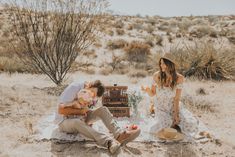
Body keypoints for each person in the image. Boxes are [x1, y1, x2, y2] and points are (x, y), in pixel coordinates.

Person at [54, 80, 140, 154]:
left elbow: (85, 110)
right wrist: (80, 111)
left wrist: (85, 111)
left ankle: (118, 135)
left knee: (103, 109)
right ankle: (109, 142)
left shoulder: (89, 95)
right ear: (89, 85)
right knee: (77, 122)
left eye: (94, 96)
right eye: (93, 93)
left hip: (80, 118)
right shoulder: (74, 87)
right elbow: (60, 110)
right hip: (65, 121)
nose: (92, 96)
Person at [142, 53, 198, 137]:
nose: (161, 66)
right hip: (160, 107)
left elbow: (176, 99)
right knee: (166, 123)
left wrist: (176, 114)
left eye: (163, 63)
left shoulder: (179, 78)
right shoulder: (157, 76)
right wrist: (147, 90)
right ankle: (171, 125)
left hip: (173, 106)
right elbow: (152, 94)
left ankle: (175, 124)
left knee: (189, 125)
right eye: (160, 63)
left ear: (170, 64)